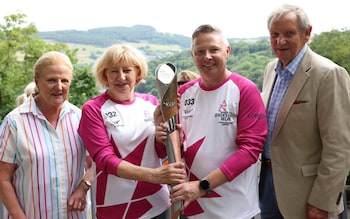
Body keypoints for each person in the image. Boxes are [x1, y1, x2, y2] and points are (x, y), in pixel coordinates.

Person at [155, 24, 268, 218]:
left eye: (214, 49)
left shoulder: (244, 90)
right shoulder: (183, 93)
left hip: (234, 209)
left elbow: (250, 151)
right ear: (192, 55)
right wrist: (161, 136)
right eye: (200, 51)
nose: (207, 56)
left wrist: (202, 186)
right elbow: (167, 152)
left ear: (227, 51)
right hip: (192, 207)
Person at [259, 4, 350, 219]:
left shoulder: (329, 74)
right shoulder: (270, 69)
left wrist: (322, 201)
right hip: (268, 186)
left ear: (307, 33)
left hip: (308, 195)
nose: (280, 41)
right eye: (274, 35)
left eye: (289, 34)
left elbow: (339, 147)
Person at [77, 44, 186, 219]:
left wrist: (161, 139)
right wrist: (154, 175)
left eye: (127, 70)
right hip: (115, 207)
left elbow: (159, 152)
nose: (121, 77)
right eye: (114, 71)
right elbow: (105, 160)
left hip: (157, 204)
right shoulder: (93, 109)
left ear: (137, 73)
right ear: (105, 74)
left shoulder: (150, 102)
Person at [0, 51, 94, 219]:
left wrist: (84, 186)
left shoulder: (80, 118)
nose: (59, 87)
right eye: (51, 80)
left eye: (64, 81)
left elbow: (95, 164)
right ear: (37, 80)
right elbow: (2, 177)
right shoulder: (15, 122)